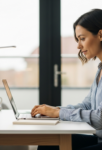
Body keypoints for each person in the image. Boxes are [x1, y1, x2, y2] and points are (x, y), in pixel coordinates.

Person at [31, 9, 102, 150]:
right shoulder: (100, 69)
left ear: (100, 34)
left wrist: (57, 113)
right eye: (78, 40)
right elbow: (88, 105)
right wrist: (53, 110)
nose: (78, 46)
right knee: (48, 144)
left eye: (82, 38)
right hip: (98, 139)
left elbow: (100, 118)